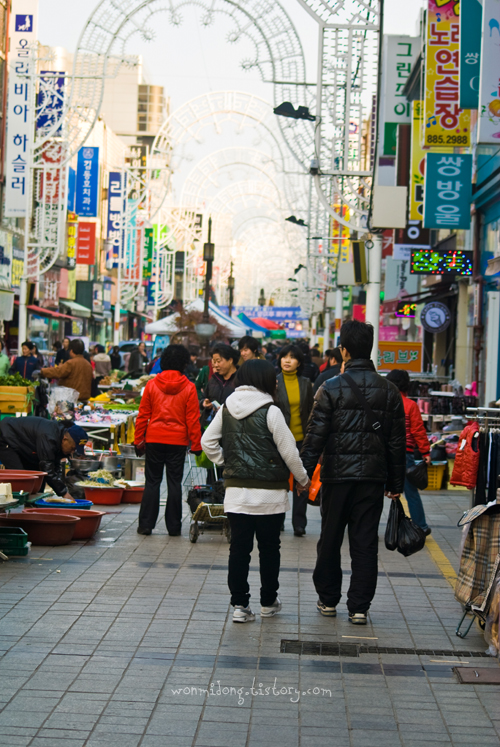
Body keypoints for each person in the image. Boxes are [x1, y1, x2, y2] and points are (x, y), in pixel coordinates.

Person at [300, 320, 406, 625]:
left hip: (336, 477)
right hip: (372, 479)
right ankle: (359, 607)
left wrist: (303, 475)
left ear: (344, 350)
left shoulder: (330, 388)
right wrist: (395, 483)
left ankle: (328, 600)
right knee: (364, 542)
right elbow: (397, 443)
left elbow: (314, 437)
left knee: (330, 538)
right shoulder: (389, 391)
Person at [201, 359, 310, 623]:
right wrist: (303, 480)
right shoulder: (271, 411)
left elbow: (207, 441)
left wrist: (227, 461)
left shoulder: (226, 407)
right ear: (263, 380)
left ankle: (240, 605)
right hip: (270, 496)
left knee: (239, 549)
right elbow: (290, 453)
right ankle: (268, 602)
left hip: (237, 494)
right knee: (269, 548)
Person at [135, 345, 202, 537]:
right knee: (174, 483)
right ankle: (174, 527)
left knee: (152, 482)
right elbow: (193, 419)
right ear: (184, 363)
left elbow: (142, 416)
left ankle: (146, 525)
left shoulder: (152, 385)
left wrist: (138, 440)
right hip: (178, 442)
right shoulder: (189, 387)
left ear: (163, 362)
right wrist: (196, 444)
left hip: (154, 439)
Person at [386, 369, 432, 535]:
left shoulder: (383, 402)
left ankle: (366, 528)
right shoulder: (411, 405)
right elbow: (418, 431)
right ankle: (421, 526)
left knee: (375, 492)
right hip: (405, 455)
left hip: (384, 454)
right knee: (411, 492)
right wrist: (426, 452)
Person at [276, 344, 314, 536]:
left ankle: (299, 523)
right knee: (281, 482)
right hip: (280, 440)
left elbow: (310, 412)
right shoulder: (274, 382)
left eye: (292, 357)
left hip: (302, 440)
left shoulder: (306, 383)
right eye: (284, 356)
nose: (287, 360)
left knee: (301, 480)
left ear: (299, 362)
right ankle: (279, 520)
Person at [0, 417, 89, 499]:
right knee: (21, 477)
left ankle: (34, 506)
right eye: (72, 448)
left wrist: (62, 489)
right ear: (65, 439)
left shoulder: (59, 437)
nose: (72, 452)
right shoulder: (49, 437)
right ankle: (17, 507)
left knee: (38, 478)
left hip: (24, 444)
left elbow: (54, 468)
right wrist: (64, 493)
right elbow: (47, 468)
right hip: (6, 436)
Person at [201, 343, 239, 428]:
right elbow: (203, 397)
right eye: (214, 362)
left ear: (230, 360)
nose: (216, 365)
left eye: (219, 361)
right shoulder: (214, 379)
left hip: (233, 427)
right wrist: (204, 403)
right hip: (213, 426)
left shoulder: (241, 379)